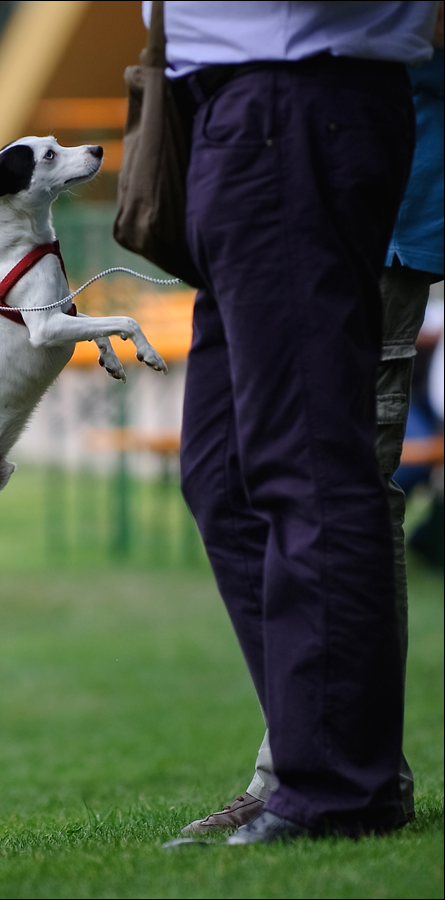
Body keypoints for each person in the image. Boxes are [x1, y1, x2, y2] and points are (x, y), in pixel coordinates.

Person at [139, 0, 441, 843]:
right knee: (225, 473)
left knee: (304, 462)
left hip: (296, 94)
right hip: (235, 104)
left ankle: (337, 787)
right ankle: (318, 761)